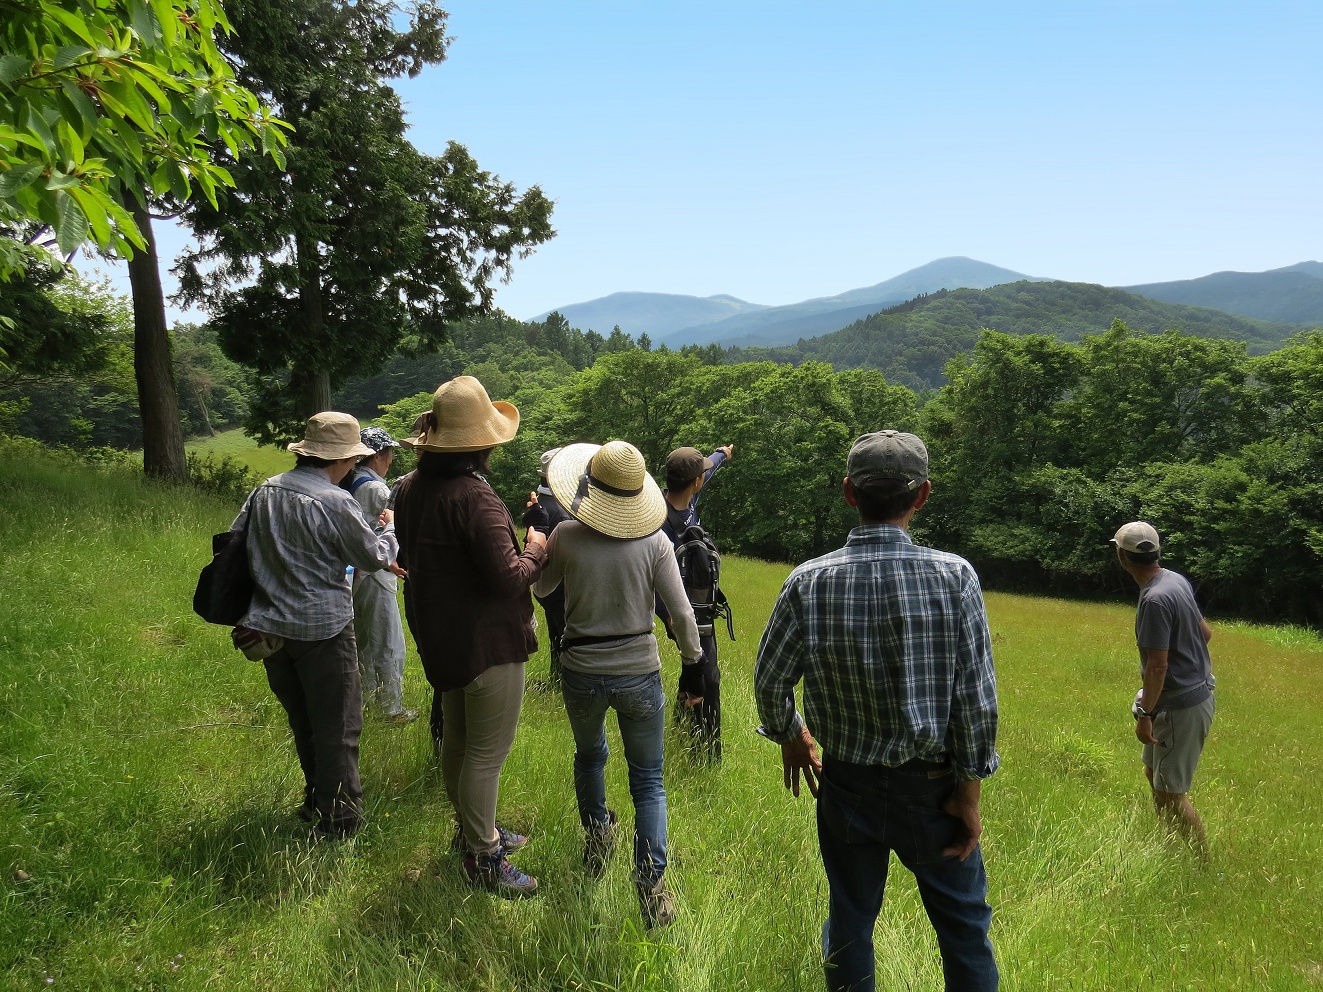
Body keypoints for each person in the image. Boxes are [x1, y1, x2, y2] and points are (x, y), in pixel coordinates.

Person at [754, 430, 1000, 992]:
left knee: (850, 921)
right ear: (922, 496)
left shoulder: (808, 581)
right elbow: (977, 703)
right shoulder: (954, 577)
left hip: (846, 786)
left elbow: (770, 683)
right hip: (934, 790)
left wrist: (793, 735)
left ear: (848, 492)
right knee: (963, 929)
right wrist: (968, 793)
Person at [533, 440, 704, 929]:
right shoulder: (654, 542)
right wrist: (693, 663)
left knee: (590, 756)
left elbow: (542, 589)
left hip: (581, 668)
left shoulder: (566, 534)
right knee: (648, 780)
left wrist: (542, 551)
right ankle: (651, 886)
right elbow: (680, 614)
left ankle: (598, 837)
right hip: (638, 669)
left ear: (589, 486)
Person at [393, 376, 548, 897]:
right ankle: (483, 856)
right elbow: (509, 579)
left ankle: (472, 830)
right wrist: (537, 547)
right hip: (487, 641)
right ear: (480, 442)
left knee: (458, 739)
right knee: (487, 751)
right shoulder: (474, 497)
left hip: (441, 634)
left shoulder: (410, 487)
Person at [230, 412, 401, 839]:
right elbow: (372, 558)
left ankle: (314, 802)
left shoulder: (265, 490)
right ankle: (340, 822)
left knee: (304, 719)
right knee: (339, 727)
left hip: (270, 628)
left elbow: (234, 542)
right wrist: (390, 532)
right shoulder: (336, 501)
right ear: (344, 459)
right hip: (324, 629)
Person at [1111, 521, 1216, 860]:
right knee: (1153, 774)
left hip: (1180, 705)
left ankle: (1202, 863)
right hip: (1196, 692)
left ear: (1121, 556)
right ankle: (1169, 844)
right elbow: (1206, 633)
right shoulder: (1175, 580)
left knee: (1172, 793)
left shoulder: (1154, 599)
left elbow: (1158, 666)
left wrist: (1146, 714)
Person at [659, 443, 733, 759]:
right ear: (694, 483)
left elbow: (710, 468)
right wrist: (669, 618)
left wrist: (722, 454)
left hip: (700, 604)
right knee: (708, 675)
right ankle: (704, 753)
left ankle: (682, 724)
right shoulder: (659, 520)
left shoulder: (685, 500)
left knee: (695, 667)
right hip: (681, 611)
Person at [345, 427, 416, 724]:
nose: (392, 458)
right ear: (378, 456)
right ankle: (390, 708)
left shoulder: (350, 481)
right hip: (375, 572)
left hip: (354, 573)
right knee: (388, 640)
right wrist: (390, 563)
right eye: (389, 452)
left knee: (363, 640)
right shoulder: (376, 490)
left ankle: (365, 701)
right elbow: (386, 529)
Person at [529, 446, 573, 688]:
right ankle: (566, 680)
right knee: (565, 634)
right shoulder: (559, 508)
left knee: (557, 633)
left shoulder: (540, 502)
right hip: (561, 582)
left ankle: (557, 677)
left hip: (544, 581)